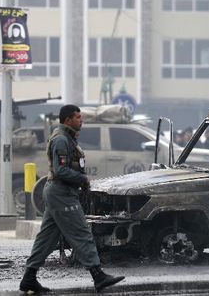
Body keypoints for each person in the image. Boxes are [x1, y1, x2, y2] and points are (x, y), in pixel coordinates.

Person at [19, 105, 125, 293]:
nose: (81, 120)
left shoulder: (68, 138)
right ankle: (98, 275)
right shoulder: (61, 140)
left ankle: (29, 278)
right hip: (61, 194)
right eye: (77, 117)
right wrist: (82, 179)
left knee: (47, 238)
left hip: (59, 193)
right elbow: (61, 171)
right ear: (67, 120)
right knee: (82, 232)